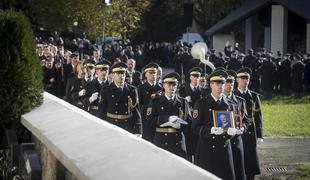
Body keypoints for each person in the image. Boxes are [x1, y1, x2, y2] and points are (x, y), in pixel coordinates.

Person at [192, 70, 236, 180]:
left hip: (224, 148)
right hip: (207, 149)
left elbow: (233, 124)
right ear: (211, 84)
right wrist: (210, 130)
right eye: (217, 83)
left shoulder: (230, 104)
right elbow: (195, 127)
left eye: (222, 83)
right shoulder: (201, 103)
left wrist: (233, 132)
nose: (220, 86)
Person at [145, 72, 190, 158]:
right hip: (161, 141)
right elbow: (149, 120)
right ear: (164, 85)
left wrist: (180, 125)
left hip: (178, 142)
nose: (172, 87)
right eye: (169, 84)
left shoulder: (183, 102)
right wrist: (167, 119)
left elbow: (190, 122)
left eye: (174, 85)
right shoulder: (156, 101)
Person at [97, 62, 142, 135]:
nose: (121, 76)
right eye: (118, 74)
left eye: (123, 74)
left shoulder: (132, 90)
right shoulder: (106, 90)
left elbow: (136, 112)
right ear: (113, 75)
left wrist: (138, 131)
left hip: (127, 126)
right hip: (111, 125)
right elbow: (101, 111)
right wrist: (100, 128)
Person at [234, 67, 263, 180]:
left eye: (247, 78)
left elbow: (258, 116)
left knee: (251, 159)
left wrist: (260, 134)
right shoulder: (233, 95)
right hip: (236, 130)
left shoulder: (254, 96)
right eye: (242, 78)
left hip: (250, 131)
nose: (245, 81)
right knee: (239, 159)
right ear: (237, 80)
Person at [224, 70, 248, 180]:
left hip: (237, 141)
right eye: (227, 82)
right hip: (223, 142)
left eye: (232, 82)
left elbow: (246, 120)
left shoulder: (240, 101)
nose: (230, 85)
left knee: (239, 172)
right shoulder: (219, 101)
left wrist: (243, 128)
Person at [179, 67, 203, 162]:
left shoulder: (202, 90)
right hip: (187, 119)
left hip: (198, 119)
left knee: (197, 142)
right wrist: (184, 99)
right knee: (188, 142)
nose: (196, 78)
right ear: (190, 77)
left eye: (198, 76)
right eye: (194, 76)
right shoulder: (184, 88)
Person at [138, 63, 162, 141]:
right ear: (146, 75)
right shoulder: (141, 88)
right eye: (150, 73)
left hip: (158, 121)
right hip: (146, 120)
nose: (153, 75)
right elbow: (139, 106)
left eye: (154, 72)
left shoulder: (161, 88)